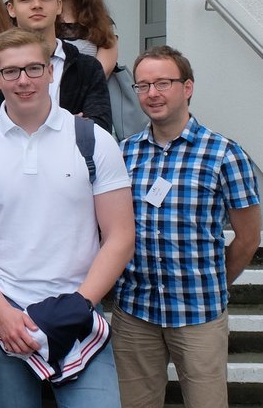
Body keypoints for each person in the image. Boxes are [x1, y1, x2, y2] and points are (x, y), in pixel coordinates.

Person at [0, 28, 134, 407]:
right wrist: (1, 312)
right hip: (4, 315)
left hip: (79, 310)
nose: (24, 80)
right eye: (12, 71)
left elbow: (119, 235)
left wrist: (78, 305)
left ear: (51, 72)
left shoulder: (92, 139)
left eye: (34, 68)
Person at [112, 45, 261, 408]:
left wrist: (212, 280)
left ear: (188, 87)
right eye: (143, 85)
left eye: (163, 83)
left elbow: (247, 238)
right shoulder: (123, 153)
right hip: (135, 312)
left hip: (199, 313)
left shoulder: (225, 154)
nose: (152, 94)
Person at [0, 0, 111, 130]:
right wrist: (71, 125)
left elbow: (99, 129)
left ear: (59, 6)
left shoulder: (88, 68)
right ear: (11, 9)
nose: (36, 5)